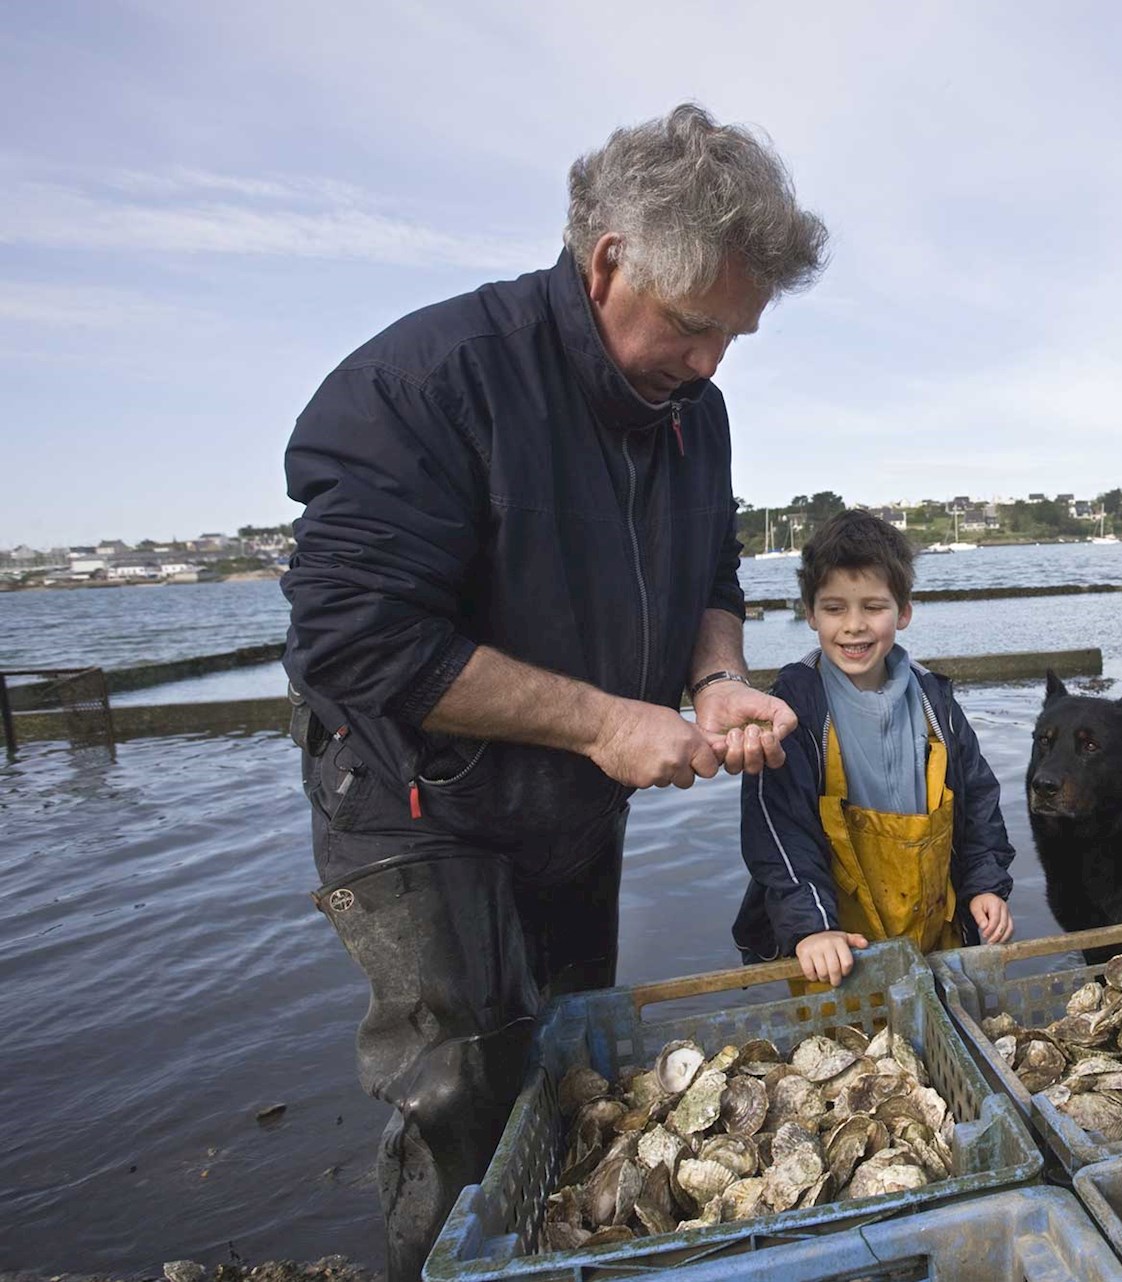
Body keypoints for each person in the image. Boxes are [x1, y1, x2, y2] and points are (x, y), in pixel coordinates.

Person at [279, 105, 826, 1280]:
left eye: (735, 336)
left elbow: (710, 574)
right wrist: (603, 720)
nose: (711, 363)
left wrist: (714, 675)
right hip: (417, 806)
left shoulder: (695, 413)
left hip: (574, 802)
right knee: (465, 1100)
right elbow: (350, 637)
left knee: (573, 1072)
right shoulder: (429, 380)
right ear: (608, 261)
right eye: (691, 327)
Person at [733, 511, 1016, 987]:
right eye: (835, 607)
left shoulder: (936, 702)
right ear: (810, 613)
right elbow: (776, 828)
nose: (854, 626)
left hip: (933, 935)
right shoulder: (791, 709)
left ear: (903, 611)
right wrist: (811, 926)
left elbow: (979, 801)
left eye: (874, 606)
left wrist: (985, 885)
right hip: (833, 948)